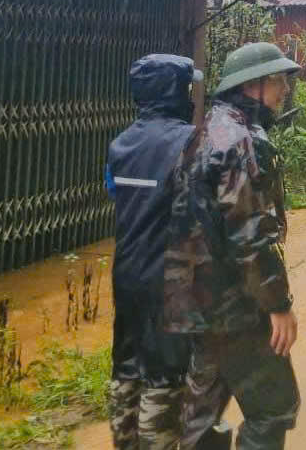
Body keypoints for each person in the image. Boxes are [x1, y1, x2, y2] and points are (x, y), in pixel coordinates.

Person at [164, 42, 303, 450]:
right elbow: (251, 235)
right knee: (273, 407)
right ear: (252, 85)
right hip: (235, 308)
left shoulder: (206, 131)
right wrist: (278, 305)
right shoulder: (242, 142)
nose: (285, 90)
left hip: (195, 304)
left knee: (199, 418)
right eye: (278, 81)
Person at [104, 54, 199, 450]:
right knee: (165, 375)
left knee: (127, 368)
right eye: (187, 87)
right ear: (174, 92)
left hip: (126, 276)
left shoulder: (120, 145)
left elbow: (116, 191)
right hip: (169, 283)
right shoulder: (191, 142)